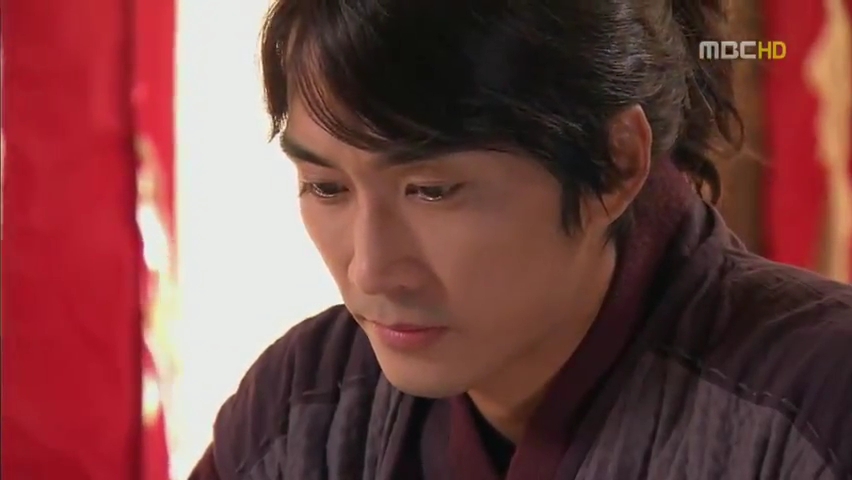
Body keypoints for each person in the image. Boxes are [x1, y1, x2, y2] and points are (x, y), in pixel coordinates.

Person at [189, 0, 852, 478]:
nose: (369, 270)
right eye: (327, 187)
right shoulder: (308, 410)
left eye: (432, 190)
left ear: (615, 163)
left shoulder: (818, 407)